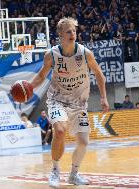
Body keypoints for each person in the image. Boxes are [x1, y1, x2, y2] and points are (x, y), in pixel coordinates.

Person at [30, 17, 109, 188]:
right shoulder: (51, 55)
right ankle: (55, 171)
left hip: (79, 104)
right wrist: (29, 87)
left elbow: (99, 75)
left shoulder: (85, 53)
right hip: (57, 100)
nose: (72, 34)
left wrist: (103, 97)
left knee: (83, 142)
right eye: (68, 31)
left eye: (74, 31)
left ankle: (74, 174)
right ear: (60, 34)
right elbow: (42, 76)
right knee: (59, 131)